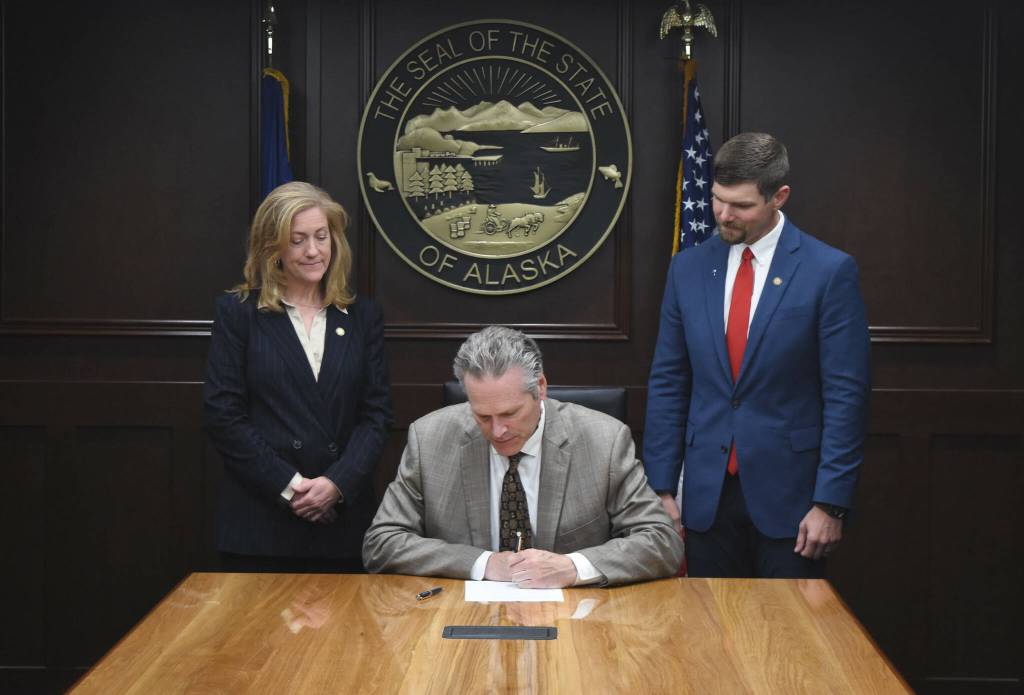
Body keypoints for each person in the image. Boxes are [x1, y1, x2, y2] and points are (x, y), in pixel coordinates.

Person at [643, 132, 871, 578]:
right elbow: (669, 382)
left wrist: (831, 502)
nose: (724, 215)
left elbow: (848, 396)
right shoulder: (687, 269)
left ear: (778, 197)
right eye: (717, 199)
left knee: (786, 640)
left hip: (794, 502)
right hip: (706, 495)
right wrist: (661, 488)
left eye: (742, 206)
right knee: (709, 633)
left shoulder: (828, 272)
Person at [363, 326, 683, 588]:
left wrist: (573, 567)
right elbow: (381, 543)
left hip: (577, 625)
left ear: (540, 388)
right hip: (458, 622)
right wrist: (483, 563)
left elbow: (661, 542)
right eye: (482, 416)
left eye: (510, 413)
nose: (498, 431)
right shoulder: (430, 439)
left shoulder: (603, 441)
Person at [204, 181, 392, 572]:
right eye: (298, 240)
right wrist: (292, 488)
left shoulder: (362, 317)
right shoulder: (239, 313)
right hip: (261, 525)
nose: (313, 251)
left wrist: (335, 486)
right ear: (273, 247)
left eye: (321, 237)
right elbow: (224, 415)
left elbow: (375, 417)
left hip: (342, 526)